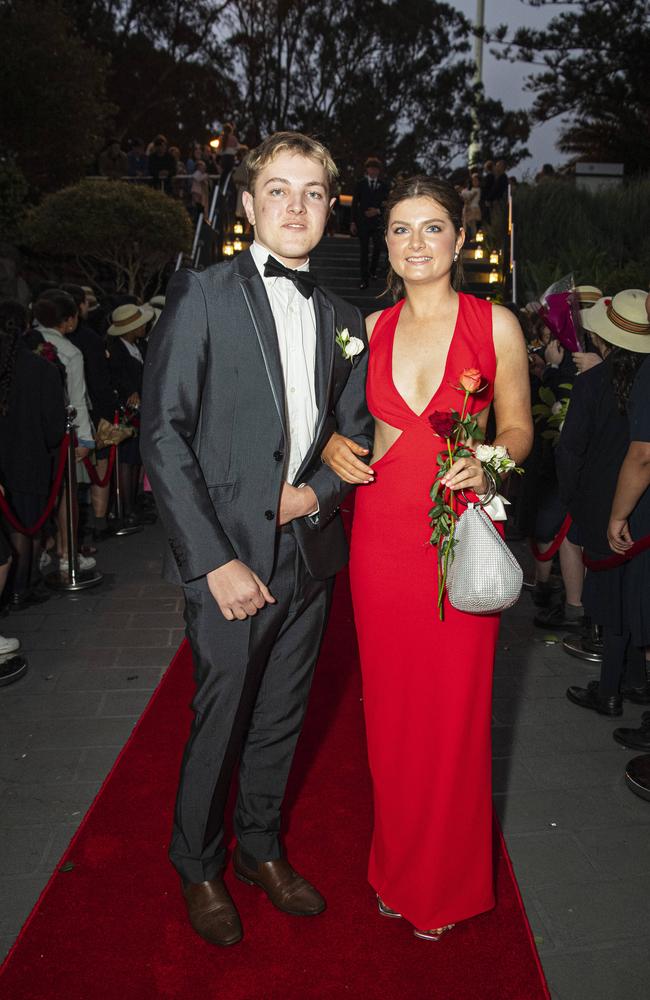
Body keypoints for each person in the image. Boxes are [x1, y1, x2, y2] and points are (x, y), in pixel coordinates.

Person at [140, 131, 372, 948]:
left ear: (331, 207)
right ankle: (198, 862)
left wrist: (316, 493)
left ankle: (261, 849)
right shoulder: (201, 294)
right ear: (246, 204)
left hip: (310, 557)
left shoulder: (345, 319)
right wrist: (213, 561)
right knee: (222, 716)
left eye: (312, 192)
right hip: (228, 561)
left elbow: (358, 440)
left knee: (282, 716)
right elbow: (162, 436)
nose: (296, 206)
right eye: (278, 190)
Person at [322, 175, 532, 940]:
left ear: (458, 236)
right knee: (393, 717)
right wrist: (334, 449)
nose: (417, 244)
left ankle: (442, 886)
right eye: (401, 230)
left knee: (455, 716)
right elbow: (338, 427)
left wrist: (491, 465)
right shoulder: (365, 327)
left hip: (459, 533)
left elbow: (517, 432)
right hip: (380, 540)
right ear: (386, 243)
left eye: (432, 228)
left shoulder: (495, 324)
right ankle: (396, 865)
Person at [556, 290, 650, 716]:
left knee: (611, 596)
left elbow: (571, 448)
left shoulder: (593, 382)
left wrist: (571, 494)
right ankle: (633, 680)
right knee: (635, 592)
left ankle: (610, 689)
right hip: (644, 503)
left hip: (603, 502)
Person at [0, 300, 65, 606]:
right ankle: (21, 586)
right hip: (29, 459)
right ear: (26, 326)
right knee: (27, 526)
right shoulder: (41, 368)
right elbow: (54, 428)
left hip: (7, 459)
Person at [106, 303, 153, 527]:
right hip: (126, 414)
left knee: (136, 461)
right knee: (126, 461)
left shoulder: (140, 347)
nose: (145, 326)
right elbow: (116, 378)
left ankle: (134, 503)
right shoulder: (116, 351)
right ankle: (125, 507)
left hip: (142, 412)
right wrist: (130, 393)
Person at [351, 157, 389, 289]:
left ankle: (372, 271)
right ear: (367, 170)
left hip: (378, 223)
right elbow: (354, 204)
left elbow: (388, 204)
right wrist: (353, 222)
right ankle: (364, 279)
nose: (373, 171)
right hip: (363, 222)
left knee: (378, 247)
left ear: (379, 171)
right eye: (370, 168)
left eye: (375, 169)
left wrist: (378, 211)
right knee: (364, 250)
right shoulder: (360, 184)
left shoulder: (384, 185)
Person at [460, 171, 481, 239]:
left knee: (472, 224)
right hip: (470, 208)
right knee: (469, 223)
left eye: (476, 181)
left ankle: (474, 237)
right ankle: (471, 237)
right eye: (473, 181)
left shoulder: (477, 190)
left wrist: (465, 198)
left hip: (474, 208)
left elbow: (470, 199)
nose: (474, 182)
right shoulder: (472, 189)